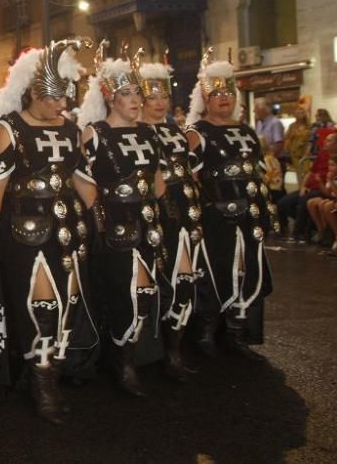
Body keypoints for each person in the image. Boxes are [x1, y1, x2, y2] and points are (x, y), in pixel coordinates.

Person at [0, 38, 97, 422]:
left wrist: (104, 218)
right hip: (25, 235)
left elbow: (82, 179)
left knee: (67, 308)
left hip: (69, 230)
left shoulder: (70, 128)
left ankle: (52, 376)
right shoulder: (8, 130)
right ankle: (41, 384)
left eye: (66, 96)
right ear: (32, 92)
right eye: (54, 98)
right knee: (41, 308)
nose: (62, 105)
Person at [76, 42, 165, 397]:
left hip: (148, 224)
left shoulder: (148, 133)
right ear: (110, 96)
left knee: (146, 291)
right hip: (114, 226)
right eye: (126, 93)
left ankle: (129, 354)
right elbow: (84, 185)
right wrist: (100, 223)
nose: (135, 100)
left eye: (137, 93)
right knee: (123, 291)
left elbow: (158, 183)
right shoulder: (94, 133)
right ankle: (120, 361)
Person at [186, 47, 274, 358]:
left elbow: (260, 174)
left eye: (230, 93)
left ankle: (238, 333)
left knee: (247, 271)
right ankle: (207, 332)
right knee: (216, 272)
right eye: (217, 95)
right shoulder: (197, 133)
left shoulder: (247, 132)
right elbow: (191, 181)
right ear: (206, 99)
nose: (225, 99)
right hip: (216, 217)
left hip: (249, 215)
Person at [137, 52, 200, 382]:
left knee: (185, 281)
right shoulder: (134, 133)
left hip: (184, 213)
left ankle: (175, 350)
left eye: (164, 96)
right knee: (152, 285)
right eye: (152, 97)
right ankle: (147, 351)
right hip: (153, 215)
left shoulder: (177, 132)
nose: (159, 103)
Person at [306, 154, 337, 248]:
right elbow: (327, 193)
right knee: (311, 202)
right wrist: (320, 182)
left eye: (332, 165)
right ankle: (321, 231)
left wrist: (331, 182)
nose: (329, 167)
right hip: (334, 198)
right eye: (329, 165)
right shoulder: (332, 175)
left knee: (326, 205)